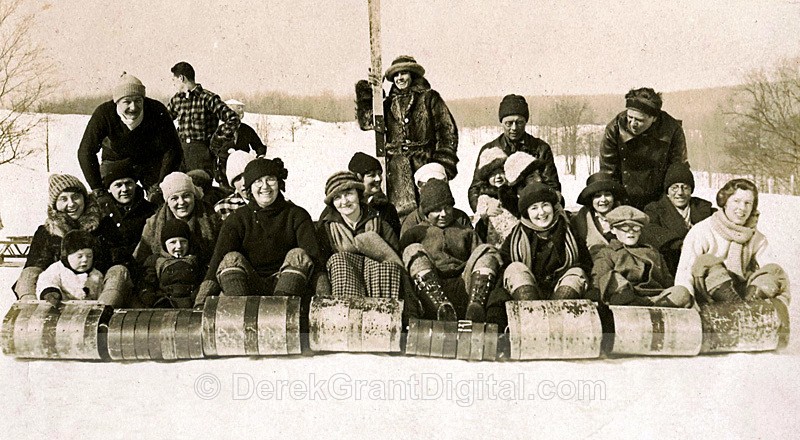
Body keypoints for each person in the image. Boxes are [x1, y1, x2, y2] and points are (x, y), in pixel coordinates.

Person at [196, 158, 323, 307]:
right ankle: (239, 314)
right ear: (249, 187)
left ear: (279, 183)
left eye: (270, 179)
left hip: (287, 286)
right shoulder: (237, 219)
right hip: (249, 287)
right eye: (258, 181)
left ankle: (278, 312)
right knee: (231, 258)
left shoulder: (296, 215)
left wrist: (324, 298)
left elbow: (315, 260)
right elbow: (218, 260)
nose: (265, 186)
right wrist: (200, 303)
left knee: (298, 255)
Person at [356, 55, 459, 217]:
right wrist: (371, 92)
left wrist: (442, 166)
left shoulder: (429, 98)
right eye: (395, 75)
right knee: (401, 216)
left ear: (413, 75)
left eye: (403, 73)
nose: (399, 78)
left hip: (425, 166)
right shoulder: (388, 102)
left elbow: (447, 131)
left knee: (433, 211)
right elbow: (367, 123)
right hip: (397, 171)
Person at [14, 174, 131, 306]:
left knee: (119, 270)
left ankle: (103, 310)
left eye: (76, 197)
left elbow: (120, 260)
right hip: (57, 292)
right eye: (63, 199)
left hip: (98, 290)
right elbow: (35, 265)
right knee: (29, 273)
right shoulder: (47, 232)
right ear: (55, 204)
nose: (71, 204)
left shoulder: (104, 225)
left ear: (84, 199)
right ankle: (30, 310)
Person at [488, 183, 592, 327]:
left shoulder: (568, 231)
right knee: (515, 268)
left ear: (553, 207)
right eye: (534, 208)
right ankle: (535, 322)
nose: (541, 212)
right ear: (527, 213)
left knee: (577, 273)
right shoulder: (517, 235)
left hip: (560, 294)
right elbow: (504, 267)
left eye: (545, 205)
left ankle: (555, 324)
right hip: (529, 293)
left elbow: (585, 264)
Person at [675, 179, 790, 306]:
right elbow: (684, 272)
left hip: (745, 295)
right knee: (706, 261)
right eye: (736, 201)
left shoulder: (756, 237)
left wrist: (781, 303)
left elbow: (773, 271)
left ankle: (744, 308)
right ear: (725, 203)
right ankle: (735, 306)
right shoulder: (703, 230)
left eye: (748, 203)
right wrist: (688, 304)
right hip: (709, 296)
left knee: (773, 270)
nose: (742, 208)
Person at [400, 179, 502, 322]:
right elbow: (405, 266)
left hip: (464, 286)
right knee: (412, 250)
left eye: (447, 207)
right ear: (426, 212)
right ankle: (441, 309)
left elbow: (479, 258)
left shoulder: (465, 231)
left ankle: (476, 307)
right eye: (436, 209)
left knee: (486, 250)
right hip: (431, 286)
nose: (443, 214)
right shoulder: (415, 233)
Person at [78, 72, 182, 206]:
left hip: (149, 159)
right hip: (116, 159)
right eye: (127, 102)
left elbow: (173, 148)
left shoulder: (156, 110)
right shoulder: (104, 114)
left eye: (138, 101)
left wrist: (161, 184)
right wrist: (98, 189)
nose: (133, 107)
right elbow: (85, 151)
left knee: (161, 200)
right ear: (117, 102)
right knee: (110, 203)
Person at [316, 171, 406, 300]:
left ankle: (383, 314)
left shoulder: (380, 223)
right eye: (337, 197)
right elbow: (322, 264)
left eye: (349, 194)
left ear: (358, 194)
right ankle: (347, 314)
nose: (344, 201)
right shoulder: (327, 229)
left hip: (378, 286)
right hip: (344, 286)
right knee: (339, 260)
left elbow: (395, 257)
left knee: (385, 265)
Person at [468, 94, 560, 212]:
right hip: (499, 212)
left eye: (519, 122)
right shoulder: (490, 150)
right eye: (508, 123)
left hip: (533, 211)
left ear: (526, 122)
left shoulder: (540, 148)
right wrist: (485, 209)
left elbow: (552, 186)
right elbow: (475, 188)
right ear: (501, 122)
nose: (514, 128)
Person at [600, 87, 688, 209]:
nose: (632, 124)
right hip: (623, 199)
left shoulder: (672, 129)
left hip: (660, 199)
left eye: (639, 120)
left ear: (654, 118)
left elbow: (677, 171)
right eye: (630, 117)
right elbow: (608, 172)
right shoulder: (614, 129)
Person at [589, 206, 692, 307]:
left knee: (682, 292)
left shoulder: (652, 252)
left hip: (655, 297)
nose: (630, 232)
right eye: (624, 228)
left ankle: (651, 305)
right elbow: (599, 280)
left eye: (635, 228)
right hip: (625, 294)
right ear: (613, 229)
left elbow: (667, 281)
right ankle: (634, 303)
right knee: (612, 278)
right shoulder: (607, 252)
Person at [133, 172, 221, 273]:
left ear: (194, 196)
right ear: (167, 201)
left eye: (186, 196)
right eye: (174, 198)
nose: (181, 202)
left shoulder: (212, 218)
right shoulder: (153, 224)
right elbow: (141, 257)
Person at [168, 62, 240, 181]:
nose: (173, 84)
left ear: (181, 78)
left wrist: (217, 139)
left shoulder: (208, 98)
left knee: (200, 192)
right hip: (180, 153)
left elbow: (233, 119)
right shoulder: (176, 99)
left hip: (201, 153)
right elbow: (164, 120)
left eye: (174, 80)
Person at [641, 163, 715, 275]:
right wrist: (679, 244)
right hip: (671, 267)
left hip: (702, 265)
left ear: (691, 190)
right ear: (667, 191)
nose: (680, 193)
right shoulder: (655, 210)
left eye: (685, 187)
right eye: (674, 187)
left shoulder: (702, 207)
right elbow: (651, 229)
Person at [96, 160, 157, 274]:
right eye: (118, 185)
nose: (124, 189)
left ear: (135, 184)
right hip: (112, 270)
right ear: (109, 188)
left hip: (144, 268)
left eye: (128, 183)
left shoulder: (150, 210)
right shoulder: (102, 212)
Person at [331, 151, 401, 236]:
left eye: (379, 174)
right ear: (358, 178)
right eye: (372, 175)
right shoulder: (341, 207)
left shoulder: (387, 208)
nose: (378, 179)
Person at [140, 219, 203, 308]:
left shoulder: (196, 259)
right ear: (164, 244)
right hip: (165, 303)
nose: (179, 246)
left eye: (183, 241)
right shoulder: (157, 260)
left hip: (191, 303)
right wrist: (154, 300)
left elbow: (203, 281)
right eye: (173, 242)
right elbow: (147, 284)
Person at [36, 230, 108, 306]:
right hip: (62, 309)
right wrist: (51, 292)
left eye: (89, 256)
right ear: (67, 256)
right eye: (79, 256)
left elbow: (100, 294)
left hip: (88, 312)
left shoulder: (96, 275)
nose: (85, 260)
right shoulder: (57, 269)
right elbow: (46, 281)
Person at [570, 171, 628, 256]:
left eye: (607, 194)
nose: (603, 200)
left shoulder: (625, 215)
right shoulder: (580, 220)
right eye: (597, 196)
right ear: (591, 200)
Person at [471, 147, 519, 246]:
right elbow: (477, 225)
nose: (498, 176)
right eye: (493, 174)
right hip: (495, 244)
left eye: (501, 172)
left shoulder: (514, 193)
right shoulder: (484, 199)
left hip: (516, 241)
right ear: (487, 177)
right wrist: (485, 214)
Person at [214, 150, 256, 220]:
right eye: (238, 179)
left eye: (247, 176)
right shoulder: (223, 207)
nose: (244, 183)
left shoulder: (270, 199)